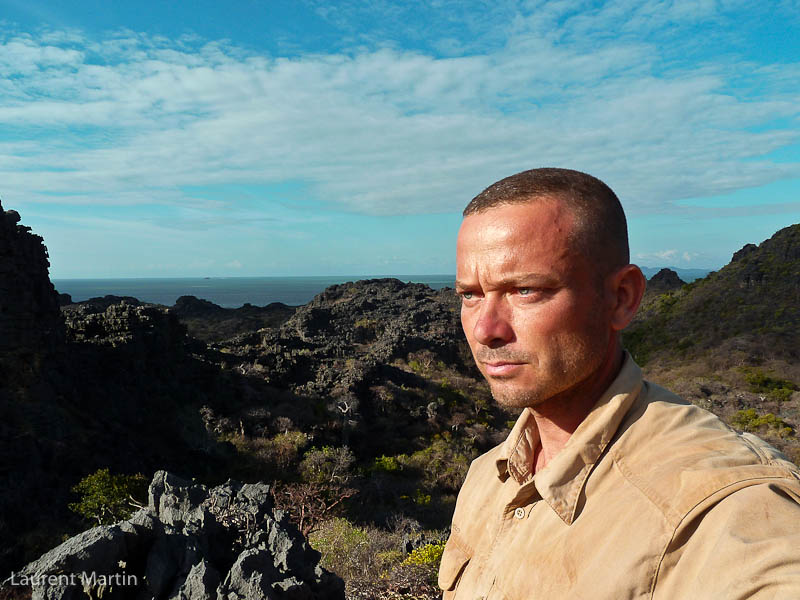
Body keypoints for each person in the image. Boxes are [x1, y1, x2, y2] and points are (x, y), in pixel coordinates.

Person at [439, 168, 800, 599]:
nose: (485, 329)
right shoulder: (488, 476)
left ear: (621, 298)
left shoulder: (719, 505)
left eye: (525, 290)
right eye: (470, 295)